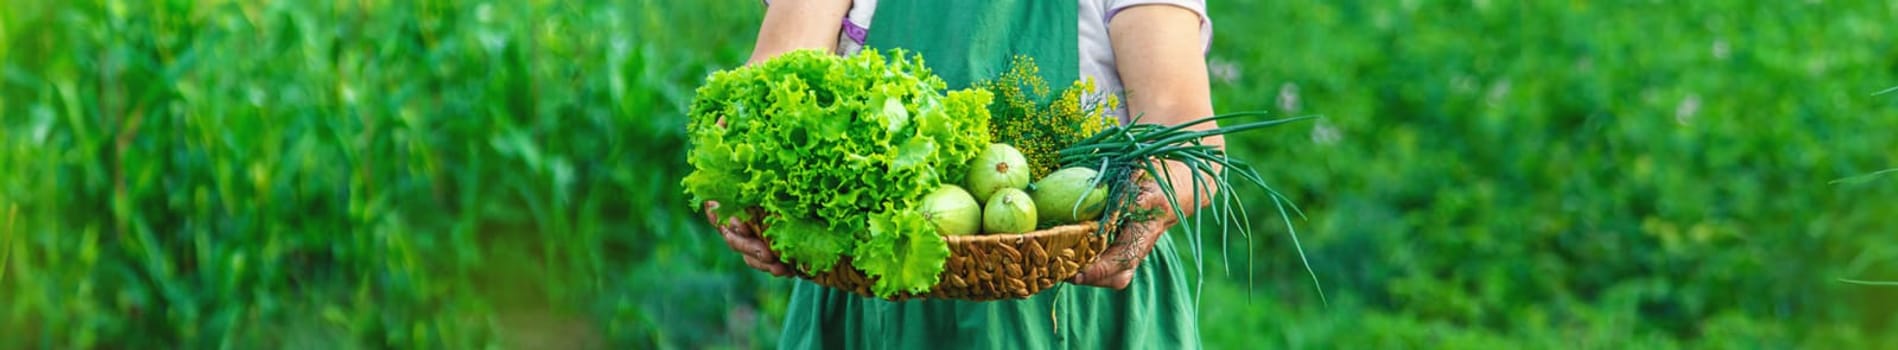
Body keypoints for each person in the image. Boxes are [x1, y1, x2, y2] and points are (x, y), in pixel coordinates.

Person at [703, 0, 1223, 348]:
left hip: (1079, 307)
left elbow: (1185, 128)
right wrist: (737, 185)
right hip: (876, 299)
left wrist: (1148, 202)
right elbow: (768, 92)